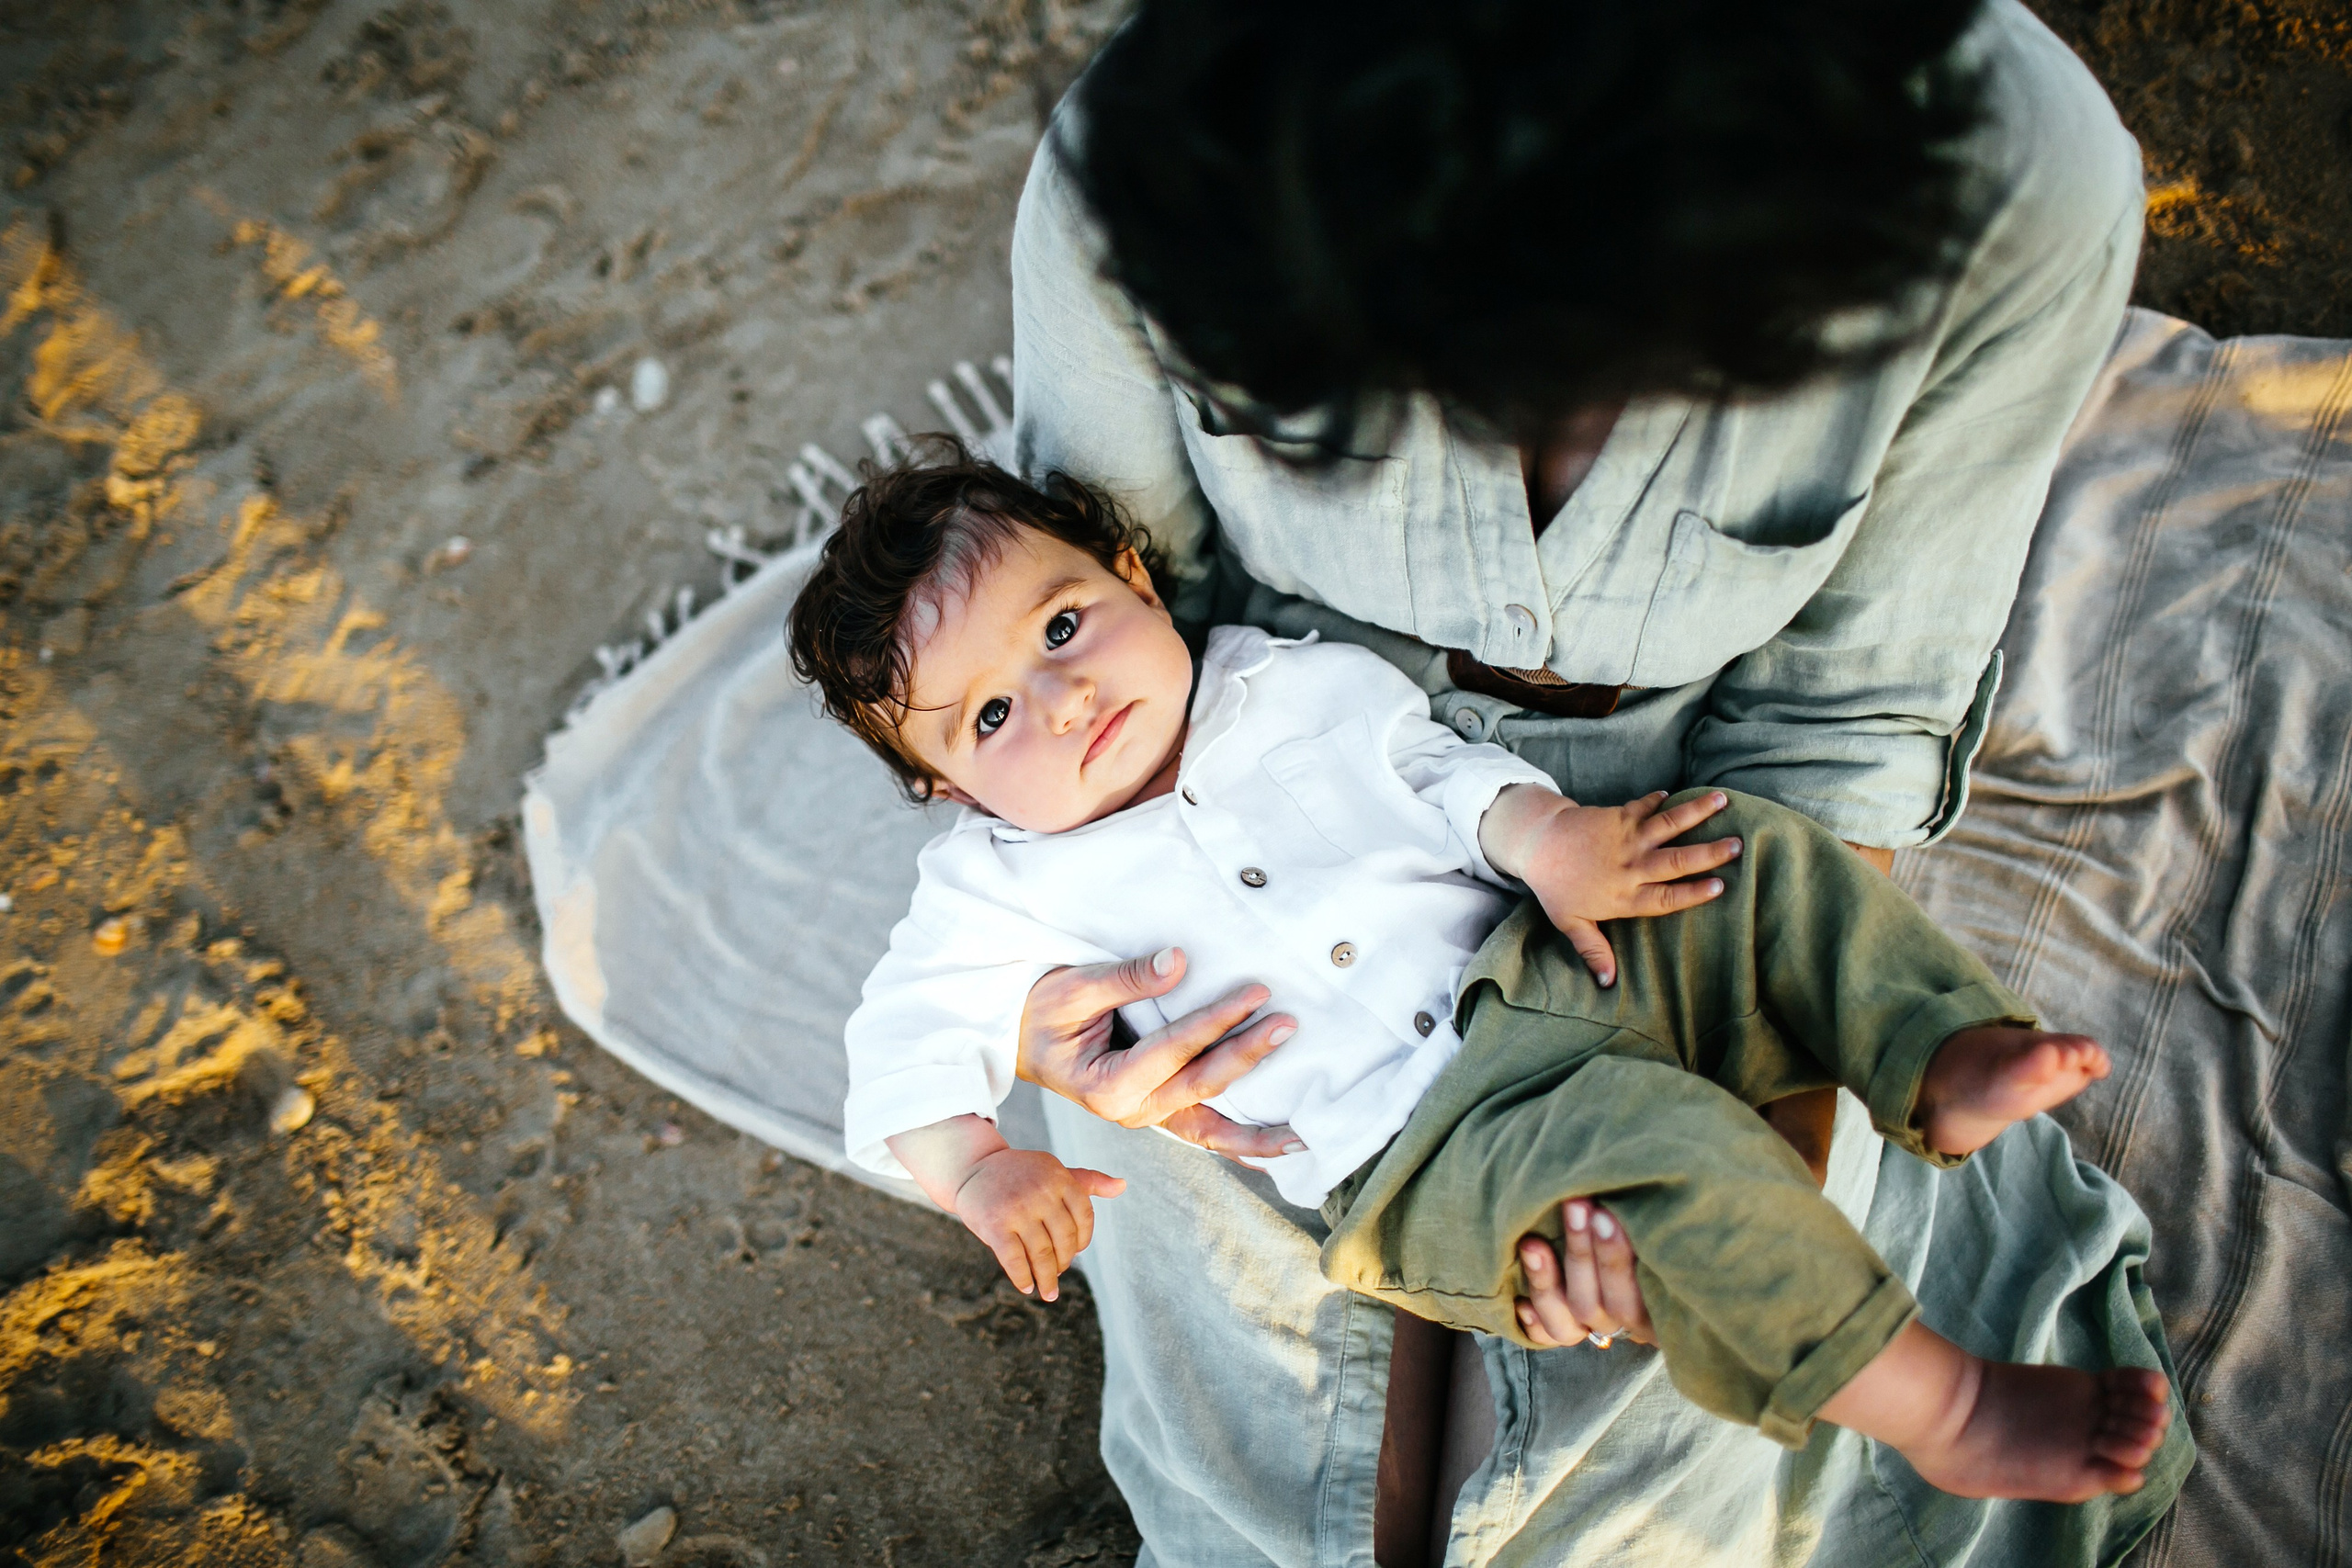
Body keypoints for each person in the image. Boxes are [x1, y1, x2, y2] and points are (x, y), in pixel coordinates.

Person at [992, 0, 2163, 1560]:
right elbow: (1089, 625)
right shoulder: (1147, 154)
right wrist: (1068, 1031)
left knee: (1672, 1403)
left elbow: (1842, 719)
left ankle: (1910, 1096)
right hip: (1248, 786)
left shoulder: (2012, 171)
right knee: (1249, 1388)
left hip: (1685, 821)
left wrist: (1738, 1137)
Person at [786, 446, 2174, 1503]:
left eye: (1061, 628)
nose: (1062, 700)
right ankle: (1949, 1410)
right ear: (944, 787)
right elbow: (903, 1045)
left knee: (1744, 851)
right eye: (989, 718)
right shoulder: (999, 887)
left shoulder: (1284, 682)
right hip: (1436, 1150)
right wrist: (978, 1169)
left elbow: (1442, 776)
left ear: (1132, 579)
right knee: (1672, 1159)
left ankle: (1936, 1050)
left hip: (1551, 968)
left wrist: (1553, 840)